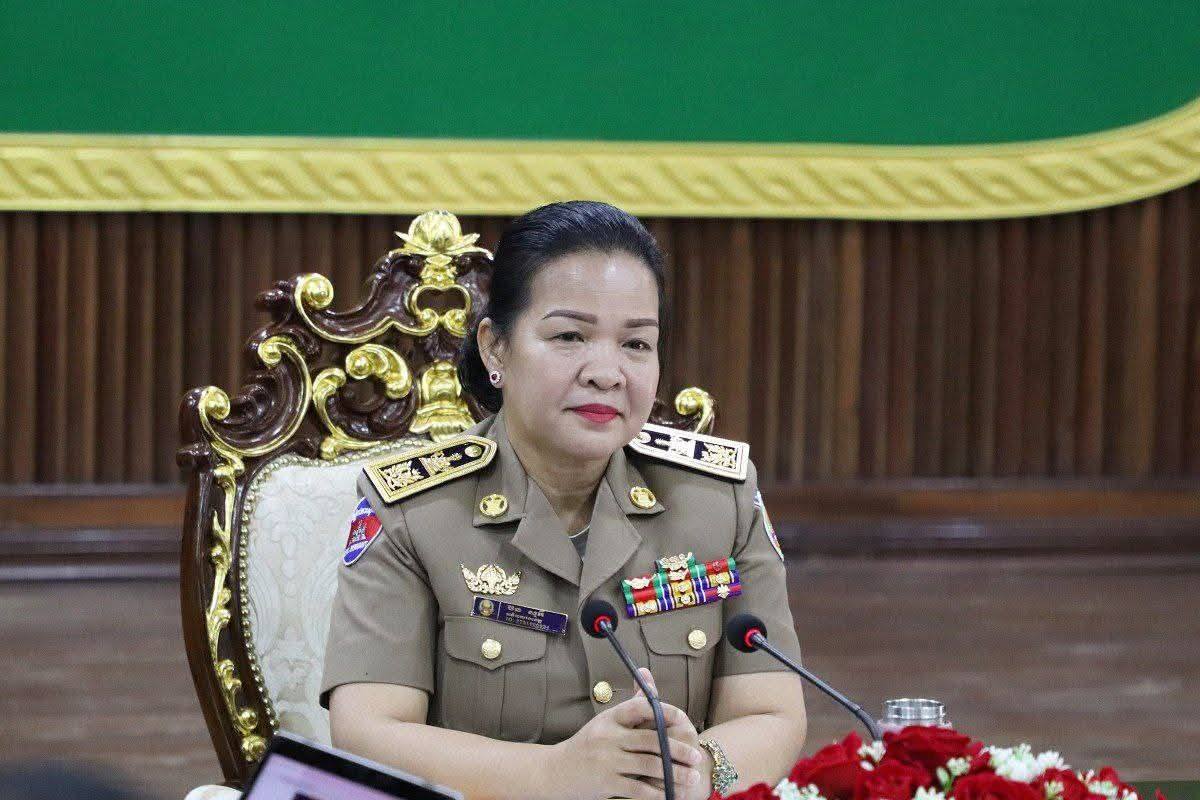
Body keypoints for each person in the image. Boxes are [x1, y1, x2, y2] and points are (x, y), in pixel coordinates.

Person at [320, 201, 807, 800]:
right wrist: (553, 776)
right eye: (569, 336)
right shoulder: (412, 511)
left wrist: (701, 769)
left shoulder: (718, 499)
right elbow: (367, 732)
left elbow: (772, 711)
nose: (607, 372)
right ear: (496, 349)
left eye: (636, 344)